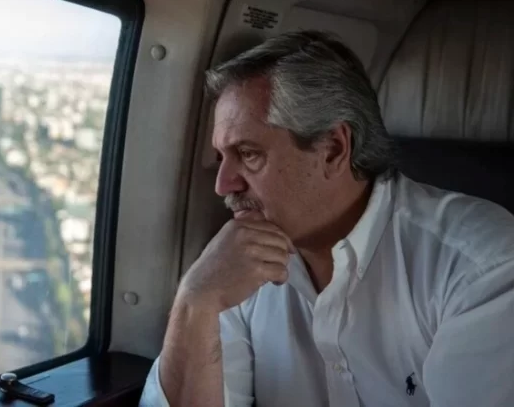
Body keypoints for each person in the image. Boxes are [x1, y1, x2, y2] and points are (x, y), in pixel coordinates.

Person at [139, 30, 514, 407]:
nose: (223, 185)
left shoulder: (481, 269)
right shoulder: (233, 270)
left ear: (333, 149)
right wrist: (194, 301)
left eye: (249, 154)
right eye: (223, 158)